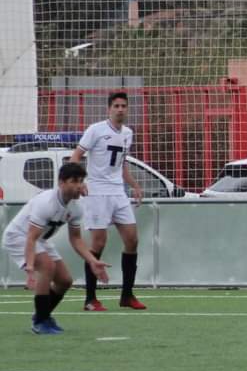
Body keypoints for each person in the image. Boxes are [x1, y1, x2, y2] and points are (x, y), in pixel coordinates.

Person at [2, 163, 110, 334]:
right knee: (47, 265)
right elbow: (31, 237)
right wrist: (30, 269)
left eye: (81, 181)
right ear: (61, 182)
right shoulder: (46, 202)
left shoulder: (76, 208)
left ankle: (42, 315)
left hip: (40, 240)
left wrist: (93, 261)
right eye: (74, 181)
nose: (79, 185)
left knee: (65, 281)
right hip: (19, 236)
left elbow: (75, 239)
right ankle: (40, 321)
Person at [69, 91, 145, 311]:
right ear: (109, 109)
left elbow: (121, 166)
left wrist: (134, 185)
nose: (120, 109)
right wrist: (79, 181)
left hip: (118, 193)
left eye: (123, 106)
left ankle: (127, 296)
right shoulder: (96, 130)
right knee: (98, 243)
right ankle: (90, 299)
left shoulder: (128, 133)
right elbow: (76, 157)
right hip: (97, 192)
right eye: (116, 106)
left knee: (132, 239)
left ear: (127, 109)